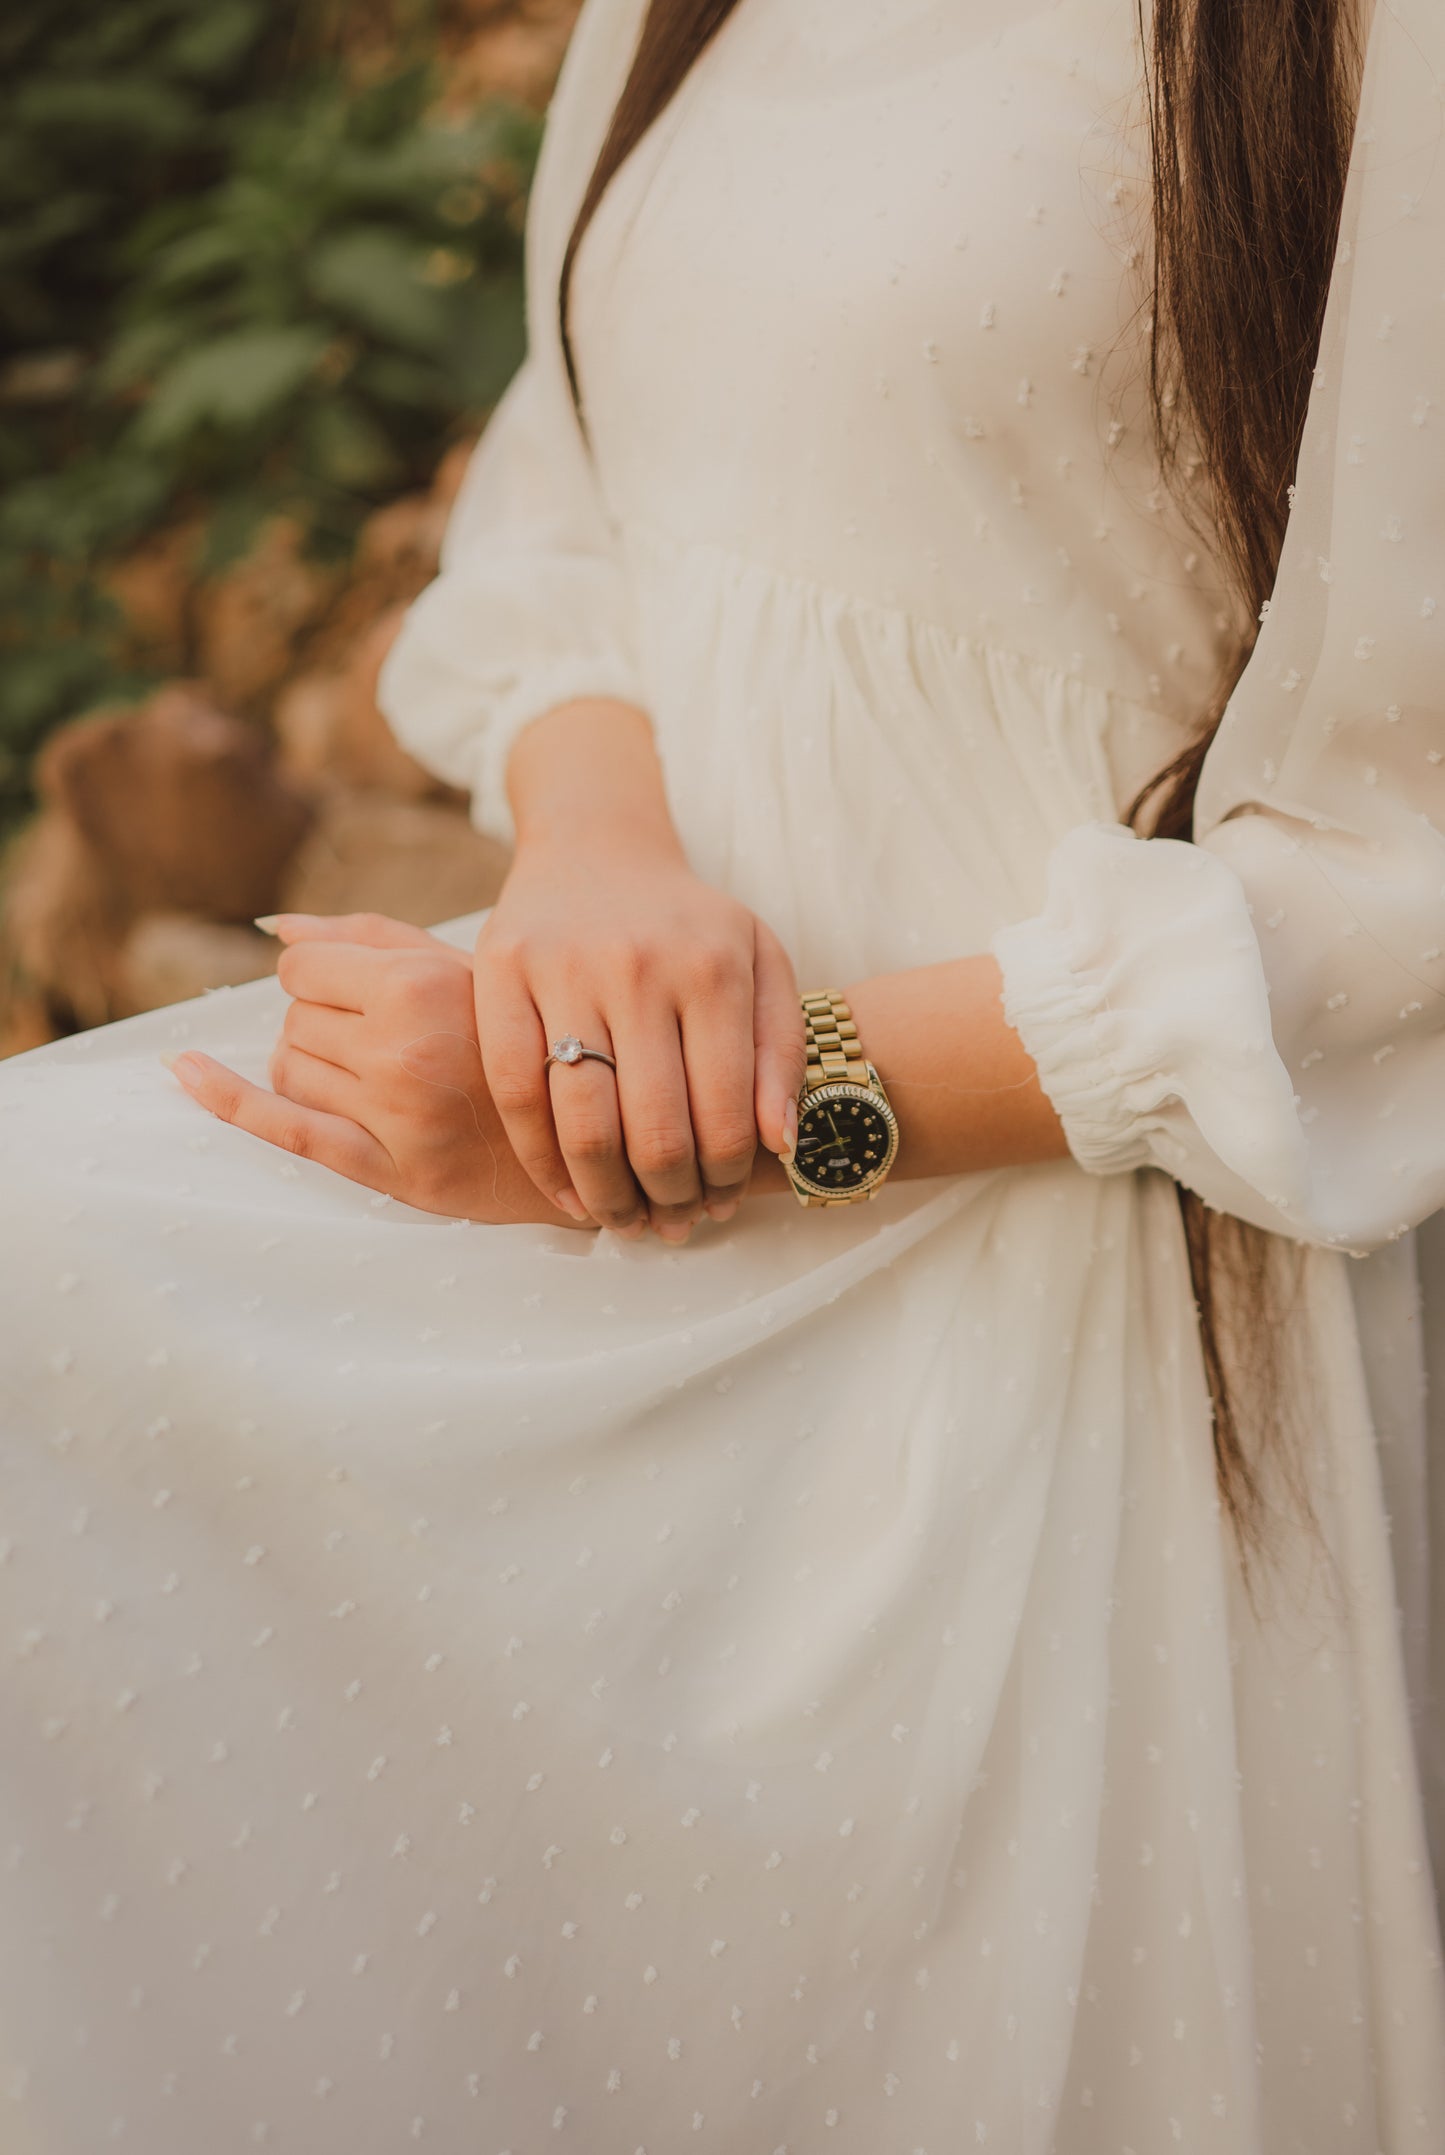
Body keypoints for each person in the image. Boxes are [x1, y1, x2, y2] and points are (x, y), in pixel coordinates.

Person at [2, 0, 1443, 2146]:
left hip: (1063, 1295)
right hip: (606, 1119)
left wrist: (774, 1103)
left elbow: (1402, 871)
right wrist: (592, 862)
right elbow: (577, 491)